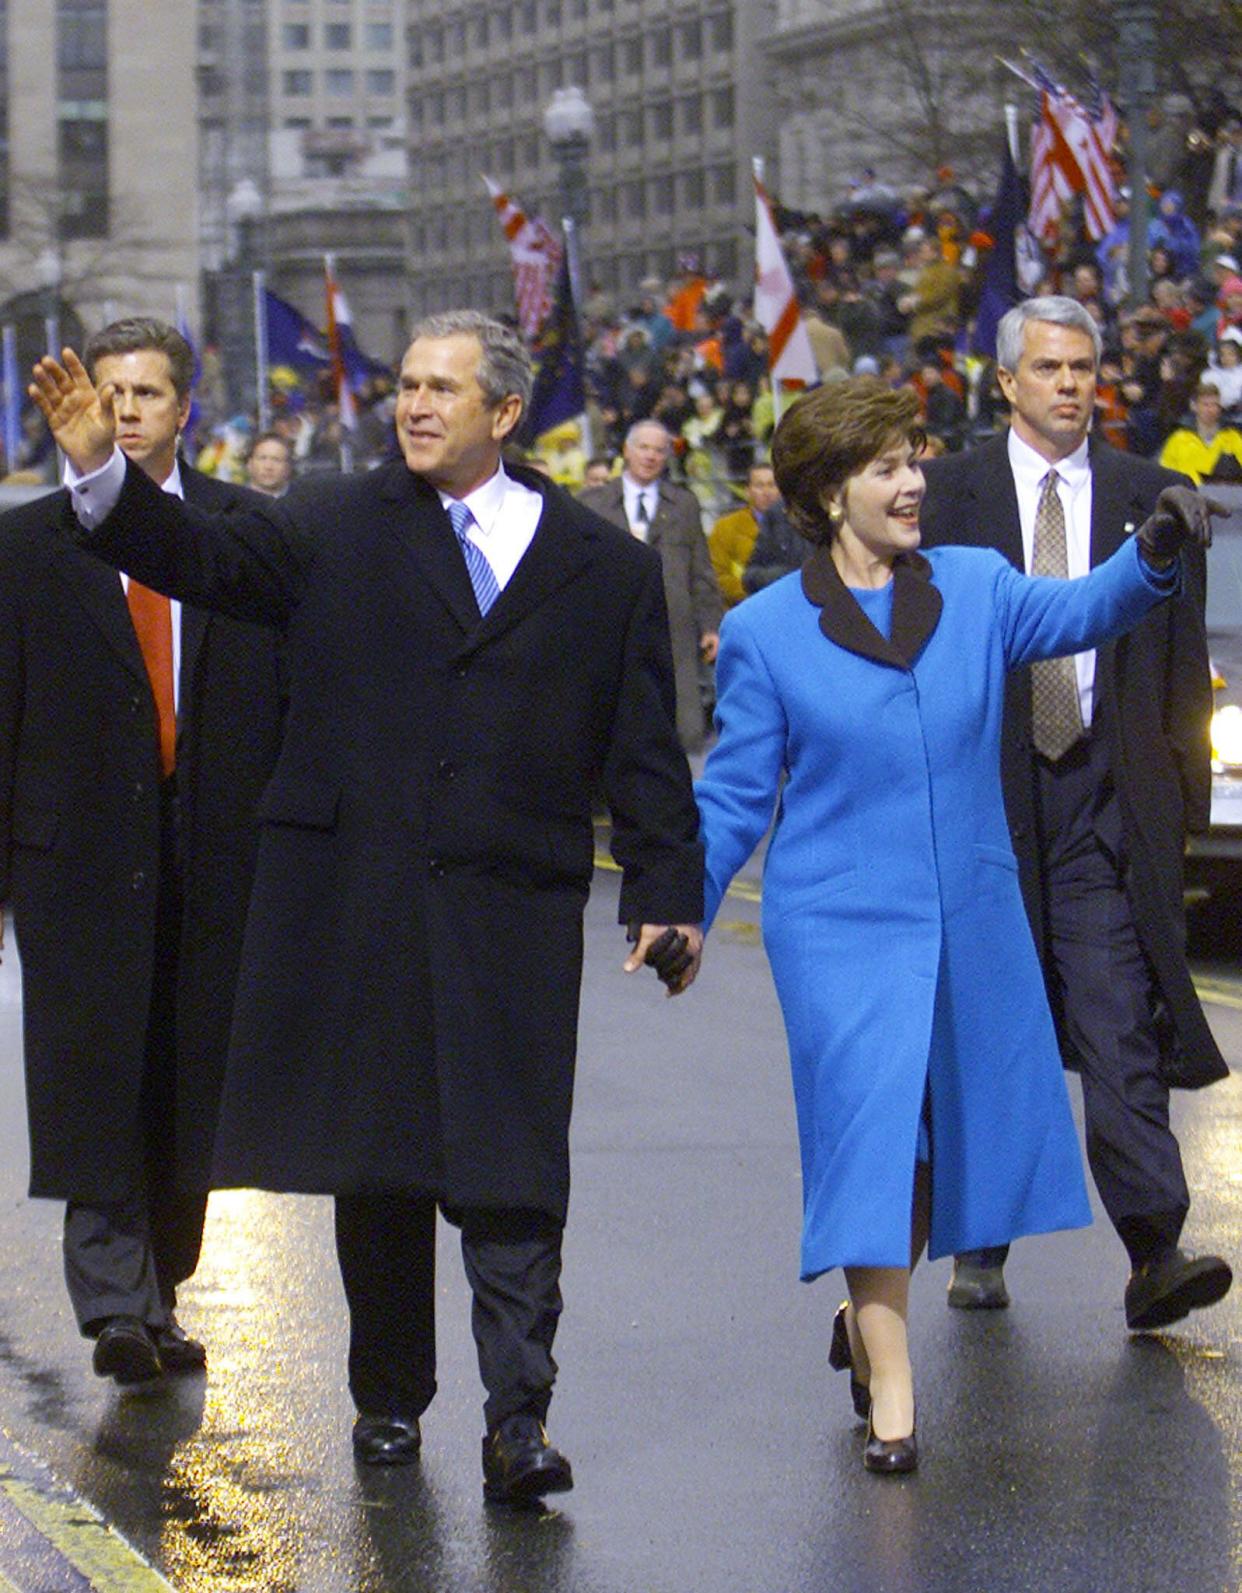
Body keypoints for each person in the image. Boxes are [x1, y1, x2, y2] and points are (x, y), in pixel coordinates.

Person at [31, 310, 704, 1505]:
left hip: (512, 912)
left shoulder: (603, 568)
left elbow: (641, 745)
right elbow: (202, 561)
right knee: (383, 1173)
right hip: (367, 907)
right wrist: (100, 471)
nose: (415, 405)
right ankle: (389, 1400)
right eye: (405, 385)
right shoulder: (334, 523)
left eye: (444, 388)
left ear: (506, 412)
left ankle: (518, 1418)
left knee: (512, 1175)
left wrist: (666, 887)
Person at [693, 375, 1215, 1475]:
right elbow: (736, 793)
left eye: (914, 459)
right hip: (836, 927)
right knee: (870, 1132)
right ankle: (893, 1389)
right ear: (831, 492)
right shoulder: (765, 631)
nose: (912, 482)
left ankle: (858, 1322)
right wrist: (679, 910)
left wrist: (1155, 552)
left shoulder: (977, 586)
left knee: (935, 1155)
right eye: (886, 466)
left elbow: (1089, 610)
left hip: (972, 914)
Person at [919, 298, 1232, 1329]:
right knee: (988, 1027)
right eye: (1047, 367)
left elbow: (1183, 661)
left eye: (1084, 366)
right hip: (987, 798)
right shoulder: (950, 495)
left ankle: (1156, 1252)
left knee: (1117, 1025)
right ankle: (980, 1242)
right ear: (1004, 381)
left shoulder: (1152, 494)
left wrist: (1181, 802)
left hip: (1103, 792)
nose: (1068, 384)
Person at [0, 317, 284, 1386]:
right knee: (93, 1071)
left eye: (147, 394)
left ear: (185, 409)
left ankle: (164, 1286)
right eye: (109, 392)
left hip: (215, 849)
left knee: (190, 1072)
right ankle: (115, 1301)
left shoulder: (244, 530)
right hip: (77, 854)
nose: (124, 410)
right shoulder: (30, 548)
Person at [580, 419, 723, 753]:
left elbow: (700, 570)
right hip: (609, 629)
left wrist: (711, 625)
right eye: (643, 447)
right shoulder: (593, 503)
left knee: (682, 732)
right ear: (627, 451)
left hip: (674, 630)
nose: (651, 456)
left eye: (659, 450)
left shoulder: (684, 504)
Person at [707, 461, 780, 608]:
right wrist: (757, 597)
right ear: (747, 491)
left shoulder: (795, 525)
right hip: (741, 608)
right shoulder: (726, 527)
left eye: (772, 485)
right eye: (759, 486)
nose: (766, 492)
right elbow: (718, 575)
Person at [1158, 380, 1242, 483]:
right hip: (1187, 495)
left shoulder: (1232, 437)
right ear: (1194, 406)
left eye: (1214, 405)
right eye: (1205, 405)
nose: (1210, 410)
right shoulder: (1178, 439)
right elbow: (1165, 474)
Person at [245, 430, 294, 497]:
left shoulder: (301, 504)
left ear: (288, 467)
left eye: (276, 460)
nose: (268, 467)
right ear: (249, 464)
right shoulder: (232, 503)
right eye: (262, 458)